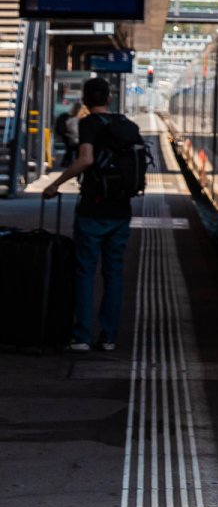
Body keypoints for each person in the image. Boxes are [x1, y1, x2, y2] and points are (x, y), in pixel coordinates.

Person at [43, 78, 142, 353]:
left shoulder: (89, 124)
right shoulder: (126, 124)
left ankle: (82, 336)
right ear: (108, 99)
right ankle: (109, 337)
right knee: (113, 273)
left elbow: (86, 159)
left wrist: (55, 184)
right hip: (121, 210)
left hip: (93, 210)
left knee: (85, 272)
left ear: (86, 101)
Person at [53, 100, 83, 166]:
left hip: (67, 135)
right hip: (70, 136)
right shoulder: (73, 118)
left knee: (70, 150)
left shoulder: (68, 116)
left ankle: (67, 163)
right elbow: (74, 130)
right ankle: (69, 163)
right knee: (73, 149)